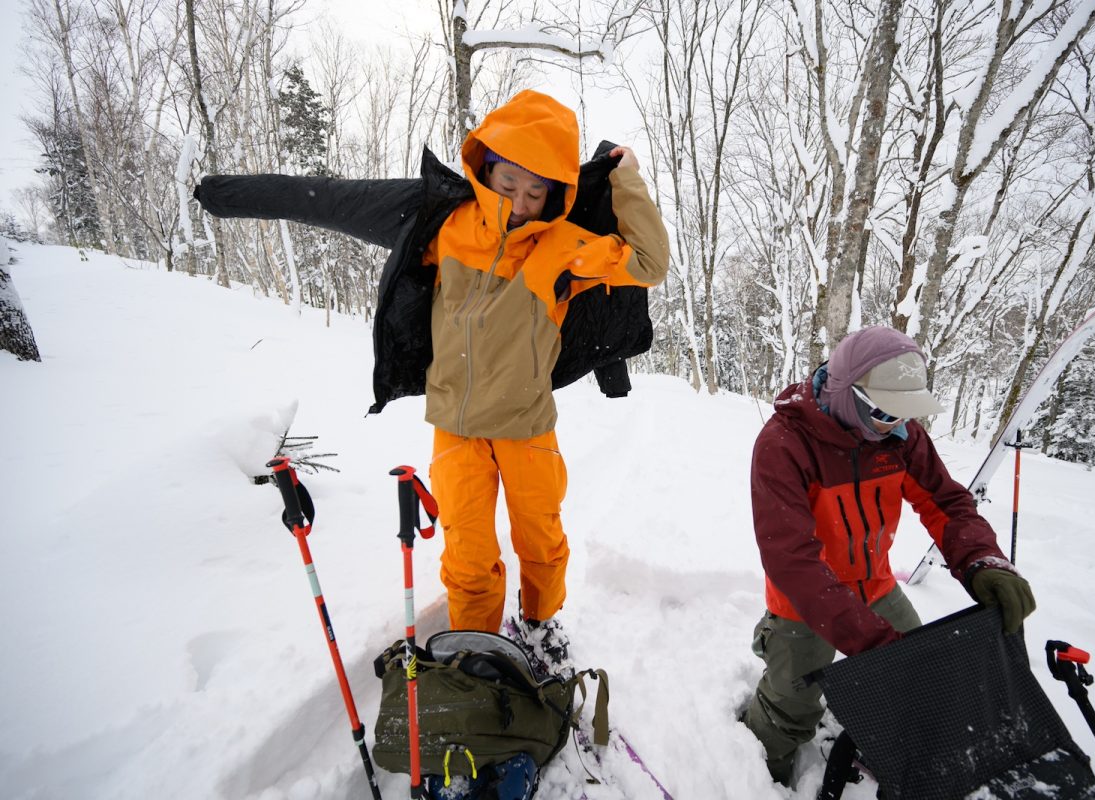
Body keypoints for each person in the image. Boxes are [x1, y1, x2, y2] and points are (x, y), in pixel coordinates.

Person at [194, 90, 669, 676]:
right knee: (467, 555)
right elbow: (329, 200)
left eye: (536, 192)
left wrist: (626, 176)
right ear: (486, 166)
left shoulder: (563, 247)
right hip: (456, 428)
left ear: (555, 194)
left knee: (541, 542)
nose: (520, 203)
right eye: (509, 182)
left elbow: (650, 262)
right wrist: (226, 195)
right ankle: (476, 648)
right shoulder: (444, 222)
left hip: (527, 429)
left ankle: (541, 623)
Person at [740, 326, 1036, 785]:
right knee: (790, 708)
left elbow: (946, 502)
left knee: (919, 678)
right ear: (846, 395)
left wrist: (981, 560)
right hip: (802, 600)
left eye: (905, 413)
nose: (897, 425)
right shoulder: (785, 444)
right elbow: (791, 559)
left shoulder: (900, 437)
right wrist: (871, 640)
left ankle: (895, 755)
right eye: (884, 413)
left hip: (875, 586)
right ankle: (755, 777)